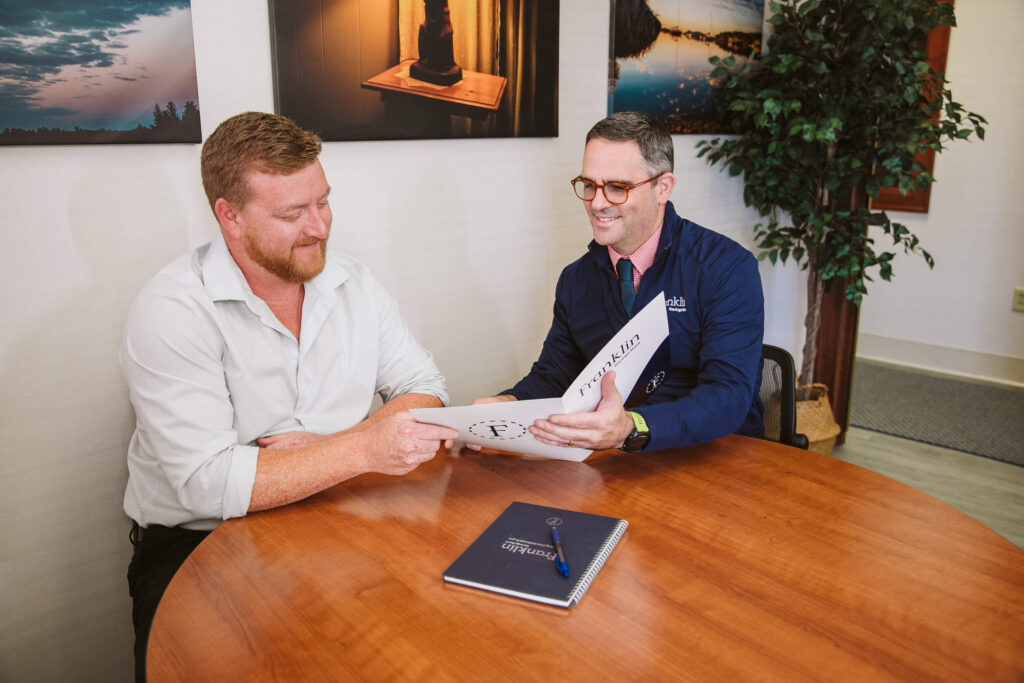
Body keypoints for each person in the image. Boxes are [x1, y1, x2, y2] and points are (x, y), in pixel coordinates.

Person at [120, 112, 458, 681]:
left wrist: (340, 444)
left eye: (323, 202)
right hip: (200, 544)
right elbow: (207, 481)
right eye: (291, 213)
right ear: (228, 216)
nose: (320, 226)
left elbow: (425, 389)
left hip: (342, 514)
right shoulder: (171, 311)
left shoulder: (354, 281)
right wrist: (364, 451)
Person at [473, 111, 763, 454]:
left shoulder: (725, 267)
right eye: (589, 185)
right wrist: (506, 403)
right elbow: (554, 377)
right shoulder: (576, 279)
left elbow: (728, 396)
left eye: (617, 188)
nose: (597, 203)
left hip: (716, 457)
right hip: (617, 462)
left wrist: (633, 427)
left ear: (663, 188)